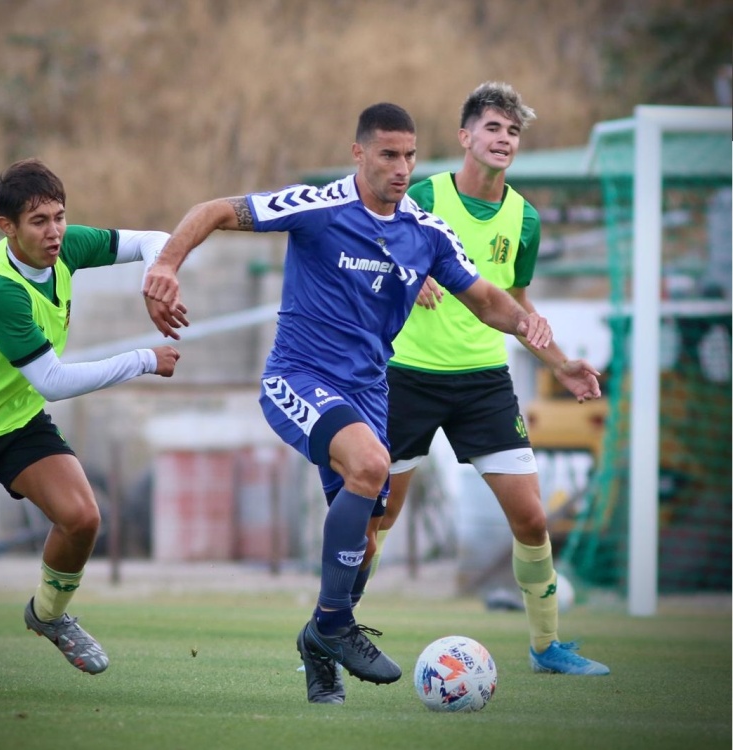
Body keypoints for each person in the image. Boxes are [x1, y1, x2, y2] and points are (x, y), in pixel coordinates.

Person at [142, 102, 554, 704]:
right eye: (389, 154)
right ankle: (335, 624)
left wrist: (527, 325)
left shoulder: (426, 232)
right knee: (368, 465)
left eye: (410, 155)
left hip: (368, 393)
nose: (402, 168)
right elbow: (214, 211)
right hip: (297, 378)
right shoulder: (317, 206)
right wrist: (166, 265)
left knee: (364, 538)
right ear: (358, 153)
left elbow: (487, 298)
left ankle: (318, 644)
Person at [0, 158, 183, 696]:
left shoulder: (66, 248)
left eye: (58, 216)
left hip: (14, 418)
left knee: (82, 518)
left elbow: (157, 239)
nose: (54, 231)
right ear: (6, 227)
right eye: (38, 221)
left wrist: (158, 280)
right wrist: (145, 359)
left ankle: (48, 615)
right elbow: (52, 381)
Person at [363, 82, 609, 676]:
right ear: (465, 136)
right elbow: (369, 249)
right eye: (493, 128)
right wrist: (405, 274)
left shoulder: (524, 217)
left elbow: (516, 303)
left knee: (530, 517)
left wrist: (561, 363)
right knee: (378, 518)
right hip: (407, 378)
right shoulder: (421, 195)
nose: (504, 139)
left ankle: (547, 647)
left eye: (513, 131)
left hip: (483, 384)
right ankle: (332, 631)